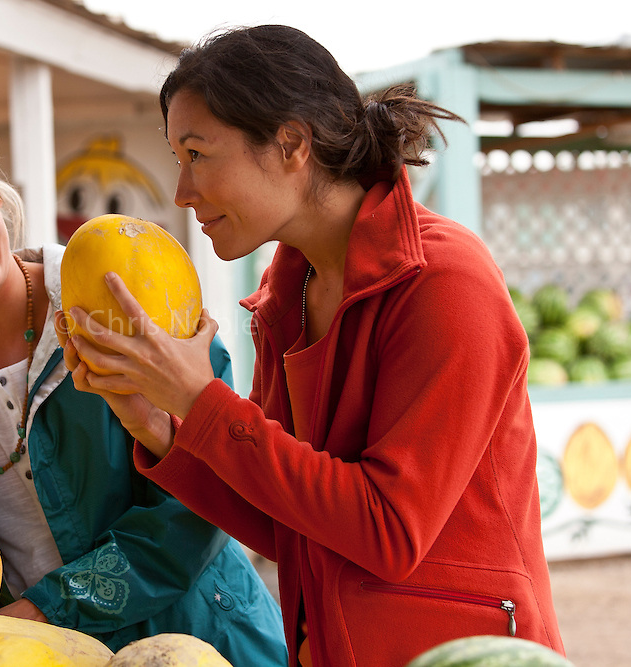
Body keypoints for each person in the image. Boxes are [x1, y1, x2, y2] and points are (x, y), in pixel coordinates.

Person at [56, 25, 566, 667]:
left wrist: (199, 399)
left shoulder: (447, 283)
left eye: (197, 154)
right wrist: (156, 422)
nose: (182, 192)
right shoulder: (285, 294)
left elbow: (388, 530)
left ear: (292, 143)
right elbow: (287, 524)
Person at [0, 111, 287, 665]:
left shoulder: (116, 298)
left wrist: (47, 607)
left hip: (203, 635)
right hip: (45, 655)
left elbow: (204, 498)